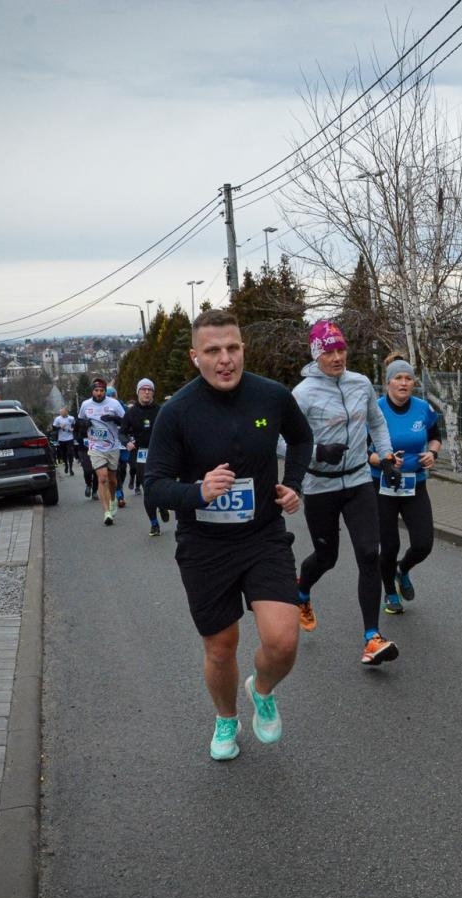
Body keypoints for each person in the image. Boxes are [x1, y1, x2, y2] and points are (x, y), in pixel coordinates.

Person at [144, 309, 312, 762]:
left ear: (243, 349)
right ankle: (226, 718)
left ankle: (262, 688)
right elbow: (153, 486)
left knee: (283, 640)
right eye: (213, 350)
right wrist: (197, 492)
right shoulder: (177, 412)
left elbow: (301, 440)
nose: (225, 359)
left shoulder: (271, 396)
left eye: (233, 348)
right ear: (195, 356)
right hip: (205, 547)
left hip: (263, 537)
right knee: (221, 648)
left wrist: (292, 483)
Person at [292, 321, 400, 667]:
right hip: (320, 486)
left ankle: (372, 637)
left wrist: (386, 457)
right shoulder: (302, 394)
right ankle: (301, 590)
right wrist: (317, 453)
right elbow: (281, 440)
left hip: (357, 481)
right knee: (327, 558)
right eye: (329, 352)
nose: (338, 357)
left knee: (369, 554)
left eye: (341, 350)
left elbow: (376, 423)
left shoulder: (360, 383)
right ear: (316, 355)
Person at [373, 356, 442, 615]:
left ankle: (403, 569)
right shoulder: (375, 409)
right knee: (389, 545)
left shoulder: (423, 408)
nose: (403, 383)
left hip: (415, 484)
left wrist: (432, 453)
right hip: (382, 486)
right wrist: (385, 460)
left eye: (408, 378)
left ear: (414, 382)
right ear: (388, 382)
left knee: (423, 543)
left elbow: (435, 436)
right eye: (398, 378)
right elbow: (363, 450)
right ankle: (390, 592)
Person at [121, 378, 169, 536]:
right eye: (143, 389)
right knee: (147, 488)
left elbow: (171, 430)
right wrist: (127, 442)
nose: (147, 392)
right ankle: (154, 524)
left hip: (158, 452)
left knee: (160, 485)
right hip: (140, 453)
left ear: (153, 393)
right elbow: (122, 432)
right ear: (138, 392)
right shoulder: (131, 412)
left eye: (150, 390)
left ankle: (162, 504)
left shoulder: (161, 410)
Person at [78, 378, 127, 525]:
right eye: (96, 390)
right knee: (103, 477)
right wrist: (84, 423)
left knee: (112, 480)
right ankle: (106, 513)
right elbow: (78, 422)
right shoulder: (86, 405)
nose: (99, 393)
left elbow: (126, 421)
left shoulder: (114, 404)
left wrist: (114, 418)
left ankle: (113, 499)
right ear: (92, 391)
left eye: (101, 391)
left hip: (112, 446)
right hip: (95, 447)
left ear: (105, 391)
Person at [108, 384, 129, 508]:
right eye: (108, 396)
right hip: (111, 443)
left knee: (123, 467)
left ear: (116, 396)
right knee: (116, 469)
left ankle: (119, 488)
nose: (111, 398)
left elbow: (130, 422)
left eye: (112, 395)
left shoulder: (124, 407)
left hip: (124, 442)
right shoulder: (104, 408)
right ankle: (119, 494)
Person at [51, 407, 76, 476]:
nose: (61, 413)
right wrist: (60, 427)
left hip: (70, 438)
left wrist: (72, 429)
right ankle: (66, 465)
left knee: (70, 453)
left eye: (62, 412)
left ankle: (71, 469)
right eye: (60, 412)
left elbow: (74, 425)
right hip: (61, 439)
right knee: (64, 454)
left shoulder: (71, 418)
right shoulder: (58, 419)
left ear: (66, 412)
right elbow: (53, 428)